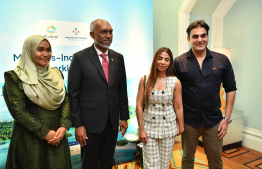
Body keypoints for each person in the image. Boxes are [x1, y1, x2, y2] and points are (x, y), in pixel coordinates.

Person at [173, 20, 237, 169]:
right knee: (187, 159)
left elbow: (231, 89)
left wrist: (226, 119)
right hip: (188, 121)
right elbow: (173, 94)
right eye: (195, 36)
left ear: (208, 37)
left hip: (214, 122)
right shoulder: (179, 62)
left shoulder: (222, 60)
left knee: (216, 162)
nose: (200, 39)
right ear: (188, 39)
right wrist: (176, 119)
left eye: (203, 35)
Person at [3, 35, 72, 169]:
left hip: (57, 137)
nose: (46, 54)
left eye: (48, 50)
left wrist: (63, 126)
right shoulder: (14, 77)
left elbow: (66, 100)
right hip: (29, 141)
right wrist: (45, 133)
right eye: (40, 49)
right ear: (29, 51)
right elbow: (18, 112)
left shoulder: (57, 74)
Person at [68, 19, 129, 168]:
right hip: (90, 124)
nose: (108, 35)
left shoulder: (118, 58)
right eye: (103, 32)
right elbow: (73, 94)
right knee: (89, 163)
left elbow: (122, 89)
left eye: (110, 31)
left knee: (107, 162)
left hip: (112, 122)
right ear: (92, 34)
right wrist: (78, 125)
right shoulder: (80, 58)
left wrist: (124, 117)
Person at [136, 47, 184, 168]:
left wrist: (181, 126)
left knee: (164, 164)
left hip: (168, 128)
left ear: (170, 63)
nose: (162, 62)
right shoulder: (145, 80)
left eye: (166, 60)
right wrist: (141, 129)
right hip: (149, 129)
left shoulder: (175, 82)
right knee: (151, 165)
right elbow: (139, 105)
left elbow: (178, 107)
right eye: (160, 58)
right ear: (155, 60)